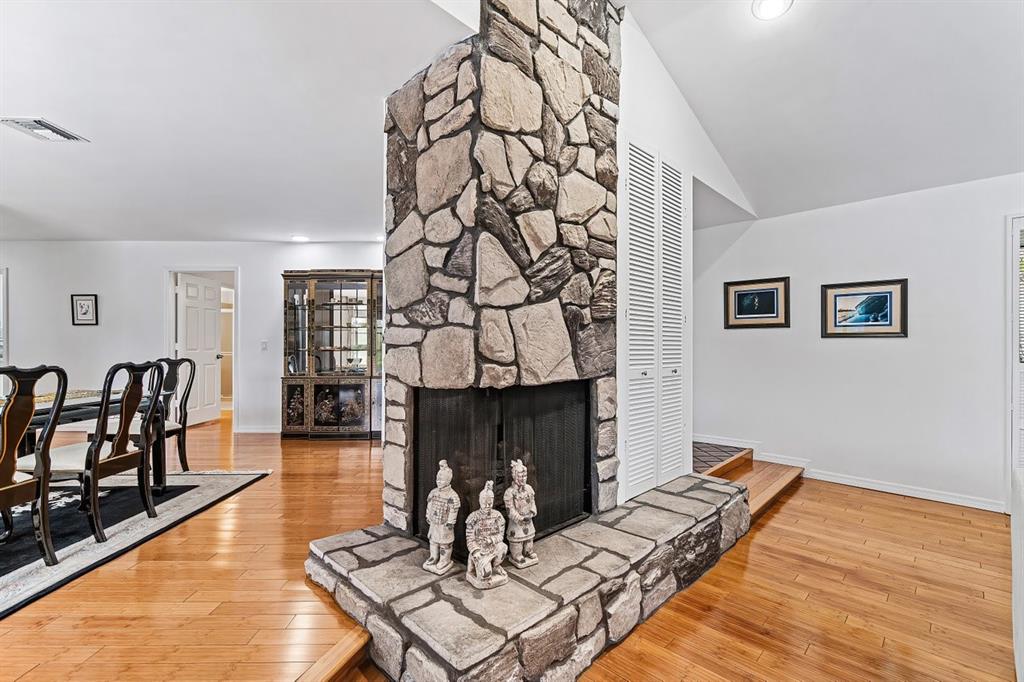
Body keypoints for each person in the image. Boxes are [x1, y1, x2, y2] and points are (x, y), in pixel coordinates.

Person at [464, 481, 508, 589]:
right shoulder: (473, 518)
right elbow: (470, 539)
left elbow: (500, 536)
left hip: (493, 547)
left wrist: (492, 540)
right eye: (485, 501)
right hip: (480, 551)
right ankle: (476, 566)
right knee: (486, 575)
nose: (488, 505)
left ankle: (496, 565)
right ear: (480, 501)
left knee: (503, 547)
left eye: (490, 501)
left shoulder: (497, 516)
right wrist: (475, 550)